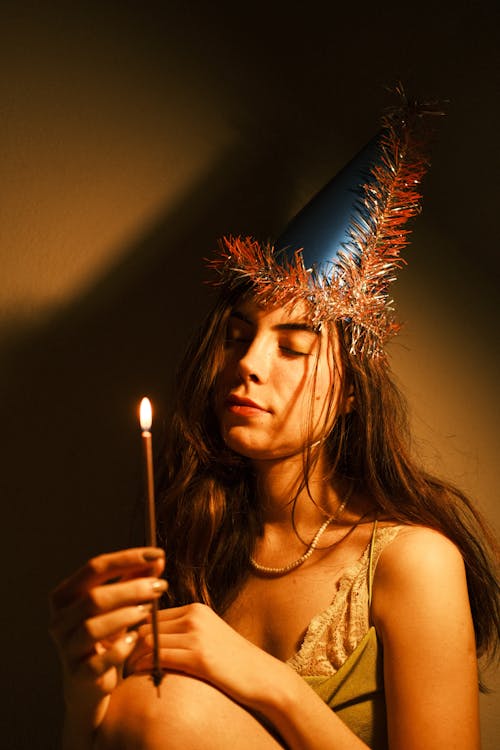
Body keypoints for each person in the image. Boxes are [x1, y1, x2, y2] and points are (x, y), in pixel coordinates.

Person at [50, 93, 499, 750]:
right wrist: (83, 684)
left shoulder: (411, 564)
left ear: (351, 393)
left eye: (293, 347)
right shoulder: (193, 539)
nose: (249, 365)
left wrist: (268, 682)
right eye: (237, 336)